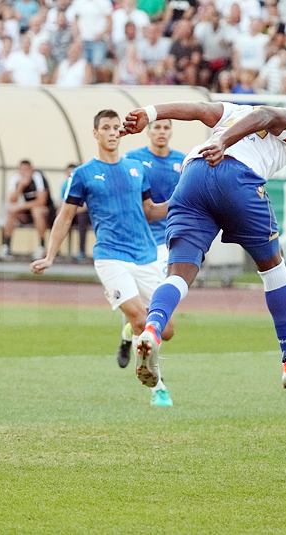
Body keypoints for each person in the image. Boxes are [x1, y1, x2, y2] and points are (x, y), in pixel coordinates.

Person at [119, 101, 286, 391]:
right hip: (235, 175)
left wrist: (150, 113)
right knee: (274, 271)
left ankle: (152, 329)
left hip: (193, 176)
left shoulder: (235, 111)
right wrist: (223, 142)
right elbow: (266, 115)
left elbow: (199, 110)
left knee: (178, 273)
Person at [30, 110, 175, 407]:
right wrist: (50, 255)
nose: (111, 132)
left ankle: (139, 348)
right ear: (95, 133)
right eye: (105, 128)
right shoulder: (82, 174)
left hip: (146, 255)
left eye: (115, 128)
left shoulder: (136, 168)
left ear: (121, 133)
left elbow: (150, 211)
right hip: (110, 256)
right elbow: (65, 216)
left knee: (167, 329)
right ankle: (157, 384)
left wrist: (179, 202)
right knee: (138, 317)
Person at [118, 118, 185, 368]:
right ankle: (153, 375)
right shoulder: (132, 159)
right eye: (157, 127)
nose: (161, 131)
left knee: (165, 327)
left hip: (169, 241)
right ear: (148, 132)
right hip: (138, 243)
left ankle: (129, 332)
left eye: (166, 127)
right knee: (154, 315)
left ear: (170, 132)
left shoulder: (183, 161)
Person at [0, 160, 56, 260]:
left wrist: (20, 206)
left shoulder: (38, 178)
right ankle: (6, 245)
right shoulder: (15, 179)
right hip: (26, 213)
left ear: (32, 170)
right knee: (11, 211)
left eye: (27, 170)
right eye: (22, 170)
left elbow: (41, 201)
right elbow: (12, 200)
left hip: (46, 213)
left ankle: (42, 246)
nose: (24, 173)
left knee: (36, 211)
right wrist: (20, 187)